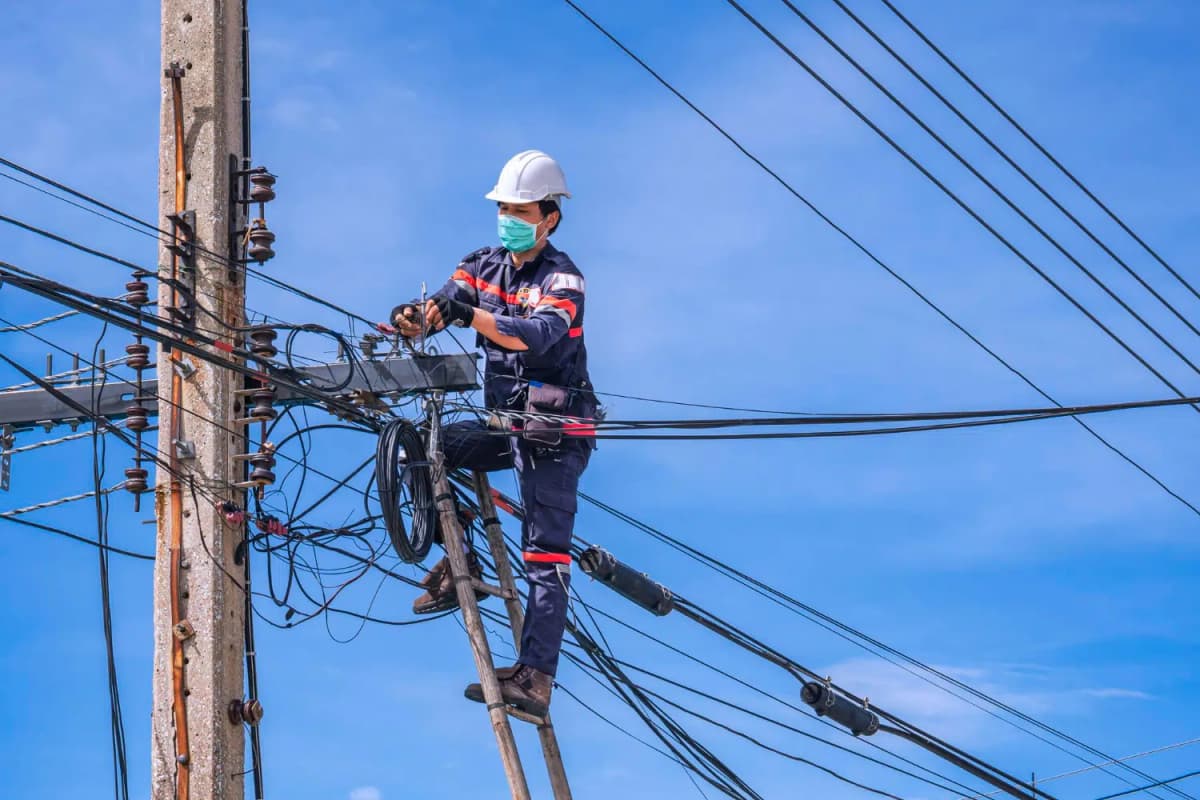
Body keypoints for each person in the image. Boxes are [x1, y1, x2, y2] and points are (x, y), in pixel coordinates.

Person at [379, 150, 596, 717]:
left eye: (520, 210)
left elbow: (537, 336)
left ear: (549, 217)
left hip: (554, 433)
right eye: (503, 209)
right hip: (506, 425)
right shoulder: (483, 263)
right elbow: (448, 298)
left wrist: (468, 317)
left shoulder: (562, 279)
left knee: (545, 557)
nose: (509, 219)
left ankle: (535, 680)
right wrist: (419, 317)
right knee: (425, 450)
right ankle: (462, 565)